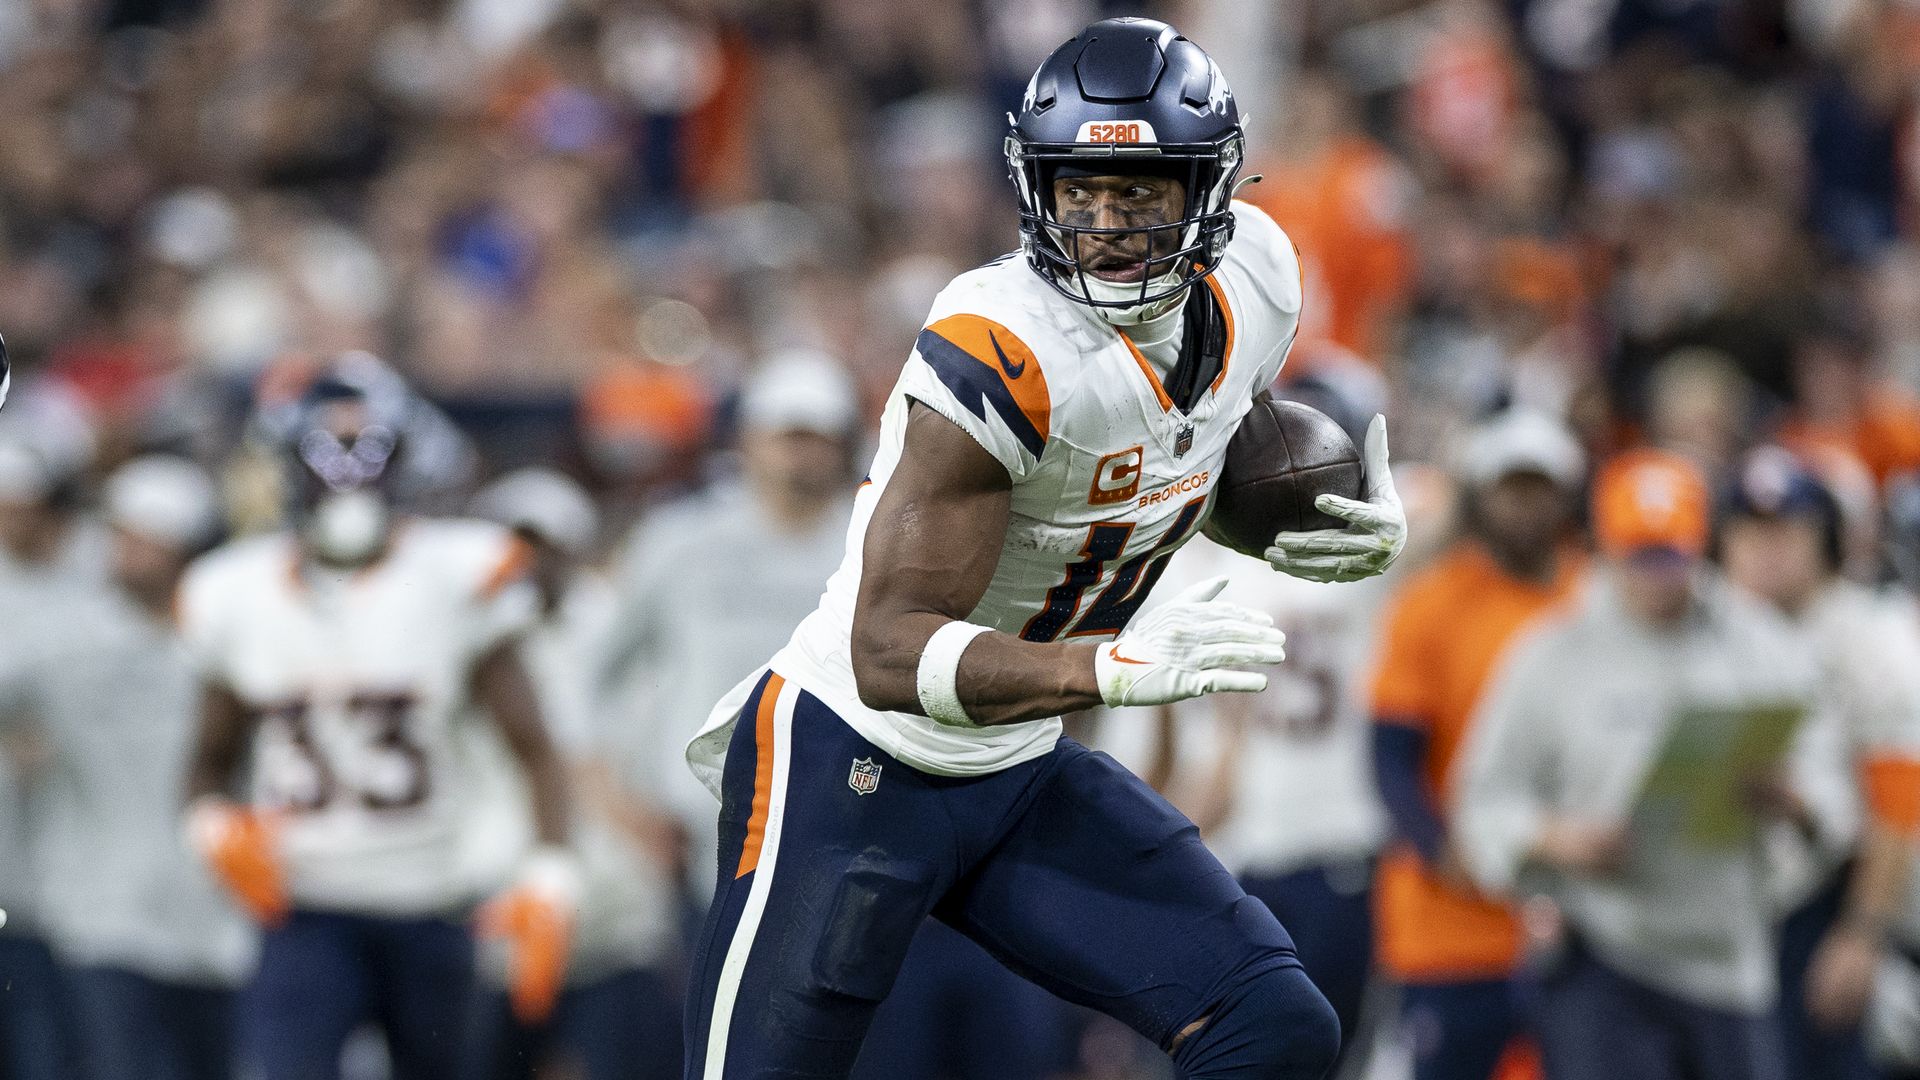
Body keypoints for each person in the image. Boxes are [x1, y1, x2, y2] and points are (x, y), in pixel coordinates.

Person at [680, 19, 1408, 1079]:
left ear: (1208, 190)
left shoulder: (1259, 278)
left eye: (1141, 192)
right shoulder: (1005, 346)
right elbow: (889, 650)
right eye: (1081, 191)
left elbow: (1200, 440)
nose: (1106, 225)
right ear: (1037, 189)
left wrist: (1310, 518)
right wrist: (1100, 670)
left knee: (1274, 1023)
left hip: (1014, 764)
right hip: (854, 760)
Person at [176, 356, 577, 1080]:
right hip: (303, 903)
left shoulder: (454, 575)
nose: (348, 476)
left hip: (433, 899)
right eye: (325, 454)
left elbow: (534, 747)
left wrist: (549, 871)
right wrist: (209, 822)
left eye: (371, 453)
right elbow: (209, 754)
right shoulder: (236, 592)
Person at [1454, 449, 1822, 1080]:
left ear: (1699, 547)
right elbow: (1481, 803)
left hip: (1733, 953)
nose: (1658, 574)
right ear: (1606, 547)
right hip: (1605, 945)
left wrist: (1792, 802)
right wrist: (1555, 838)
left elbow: (1830, 796)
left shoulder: (1765, 648)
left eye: (1670, 554)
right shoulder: (1549, 655)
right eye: (1641, 554)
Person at [0, 456, 256, 1080]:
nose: (125, 551)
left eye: (145, 538)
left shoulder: (235, 637)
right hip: (99, 913)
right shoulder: (65, 636)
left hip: (221, 920)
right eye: (121, 534)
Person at [1366, 409, 1586, 1080]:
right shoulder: (1433, 603)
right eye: (1509, 488)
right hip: (1453, 919)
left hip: (1583, 910)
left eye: (1539, 488)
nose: (1525, 507)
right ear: (1480, 495)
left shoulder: (1597, 595)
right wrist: (1443, 852)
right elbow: (1390, 755)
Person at [465, 468, 684, 1080]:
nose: (528, 563)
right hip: (495, 911)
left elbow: (622, 753)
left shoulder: (608, 625)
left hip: (612, 917)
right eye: (514, 545)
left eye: (542, 546)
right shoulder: (464, 626)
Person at [1717, 446, 1920, 1080]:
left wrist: (1862, 934)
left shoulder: (1869, 634)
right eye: (1749, 532)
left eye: (1788, 531)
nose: (1767, 550)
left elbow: (1898, 797)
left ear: (1826, 539)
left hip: (1845, 905)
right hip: (1736, 913)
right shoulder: (1713, 632)